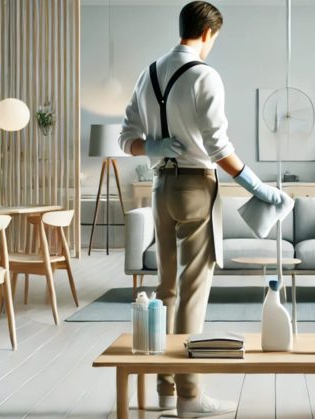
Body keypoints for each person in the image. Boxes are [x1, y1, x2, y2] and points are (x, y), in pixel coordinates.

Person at [118, 1, 287, 417]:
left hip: (161, 188)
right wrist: (256, 185)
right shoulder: (204, 76)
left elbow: (126, 140)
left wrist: (153, 146)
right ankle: (190, 396)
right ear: (209, 33)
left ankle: (164, 389)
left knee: (166, 289)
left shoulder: (147, 74)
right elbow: (219, 148)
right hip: (196, 185)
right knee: (193, 290)